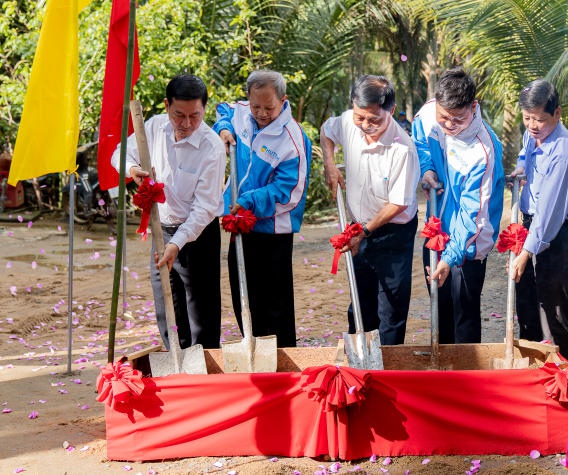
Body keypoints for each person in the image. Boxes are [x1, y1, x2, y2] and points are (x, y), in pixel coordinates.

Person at [112, 74, 225, 349]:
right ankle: (176, 367)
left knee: (201, 314)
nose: (186, 124)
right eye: (179, 115)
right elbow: (119, 153)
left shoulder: (212, 147)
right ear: (166, 106)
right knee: (167, 305)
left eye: (194, 116)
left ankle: (204, 374)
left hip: (197, 235)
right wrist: (132, 170)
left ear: (204, 110)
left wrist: (176, 244)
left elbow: (204, 208)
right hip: (161, 229)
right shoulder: (153, 128)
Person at [213, 69, 311, 348]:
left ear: (283, 100)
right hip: (241, 224)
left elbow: (289, 191)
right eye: (256, 106)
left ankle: (283, 357)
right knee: (242, 292)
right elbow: (224, 109)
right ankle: (253, 346)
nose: (261, 113)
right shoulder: (242, 112)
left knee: (275, 302)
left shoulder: (293, 139)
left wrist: (250, 200)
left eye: (269, 107)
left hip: (272, 230)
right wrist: (224, 127)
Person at [321, 75, 420, 345]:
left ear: (390, 110)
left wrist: (364, 231)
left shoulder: (403, 149)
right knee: (360, 299)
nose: (365, 125)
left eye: (373, 120)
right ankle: (359, 368)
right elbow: (327, 132)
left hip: (392, 232)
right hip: (359, 227)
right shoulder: (347, 122)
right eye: (359, 117)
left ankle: (388, 368)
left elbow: (397, 203)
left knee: (391, 304)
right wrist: (330, 164)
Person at [413, 67, 504, 344]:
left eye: (458, 119)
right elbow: (420, 143)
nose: (449, 125)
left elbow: (472, 216)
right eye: (444, 117)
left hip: (469, 244)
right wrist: (427, 170)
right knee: (439, 312)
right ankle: (442, 376)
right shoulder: (428, 115)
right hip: (436, 230)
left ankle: (465, 378)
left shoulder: (483, 151)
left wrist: (450, 258)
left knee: (463, 315)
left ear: (474, 107)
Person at [509, 78, 568, 358]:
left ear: (557, 113)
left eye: (539, 120)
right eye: (527, 118)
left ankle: (556, 373)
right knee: (527, 300)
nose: (532, 125)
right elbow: (525, 150)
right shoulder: (534, 135)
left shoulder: (565, 151)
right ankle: (528, 367)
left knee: (551, 305)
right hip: (533, 225)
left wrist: (526, 253)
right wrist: (521, 167)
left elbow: (551, 212)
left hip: (556, 233)